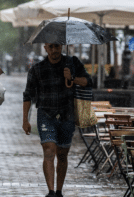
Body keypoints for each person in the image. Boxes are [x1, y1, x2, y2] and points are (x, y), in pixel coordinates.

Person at [23, 43, 92, 197]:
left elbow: (88, 82)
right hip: (46, 115)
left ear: (61, 46)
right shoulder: (37, 69)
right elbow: (27, 94)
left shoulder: (72, 63)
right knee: (48, 151)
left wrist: (72, 78)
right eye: (51, 47)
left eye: (57, 46)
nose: (54, 50)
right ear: (45, 48)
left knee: (62, 154)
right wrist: (25, 120)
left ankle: (59, 191)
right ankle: (51, 192)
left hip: (67, 116)